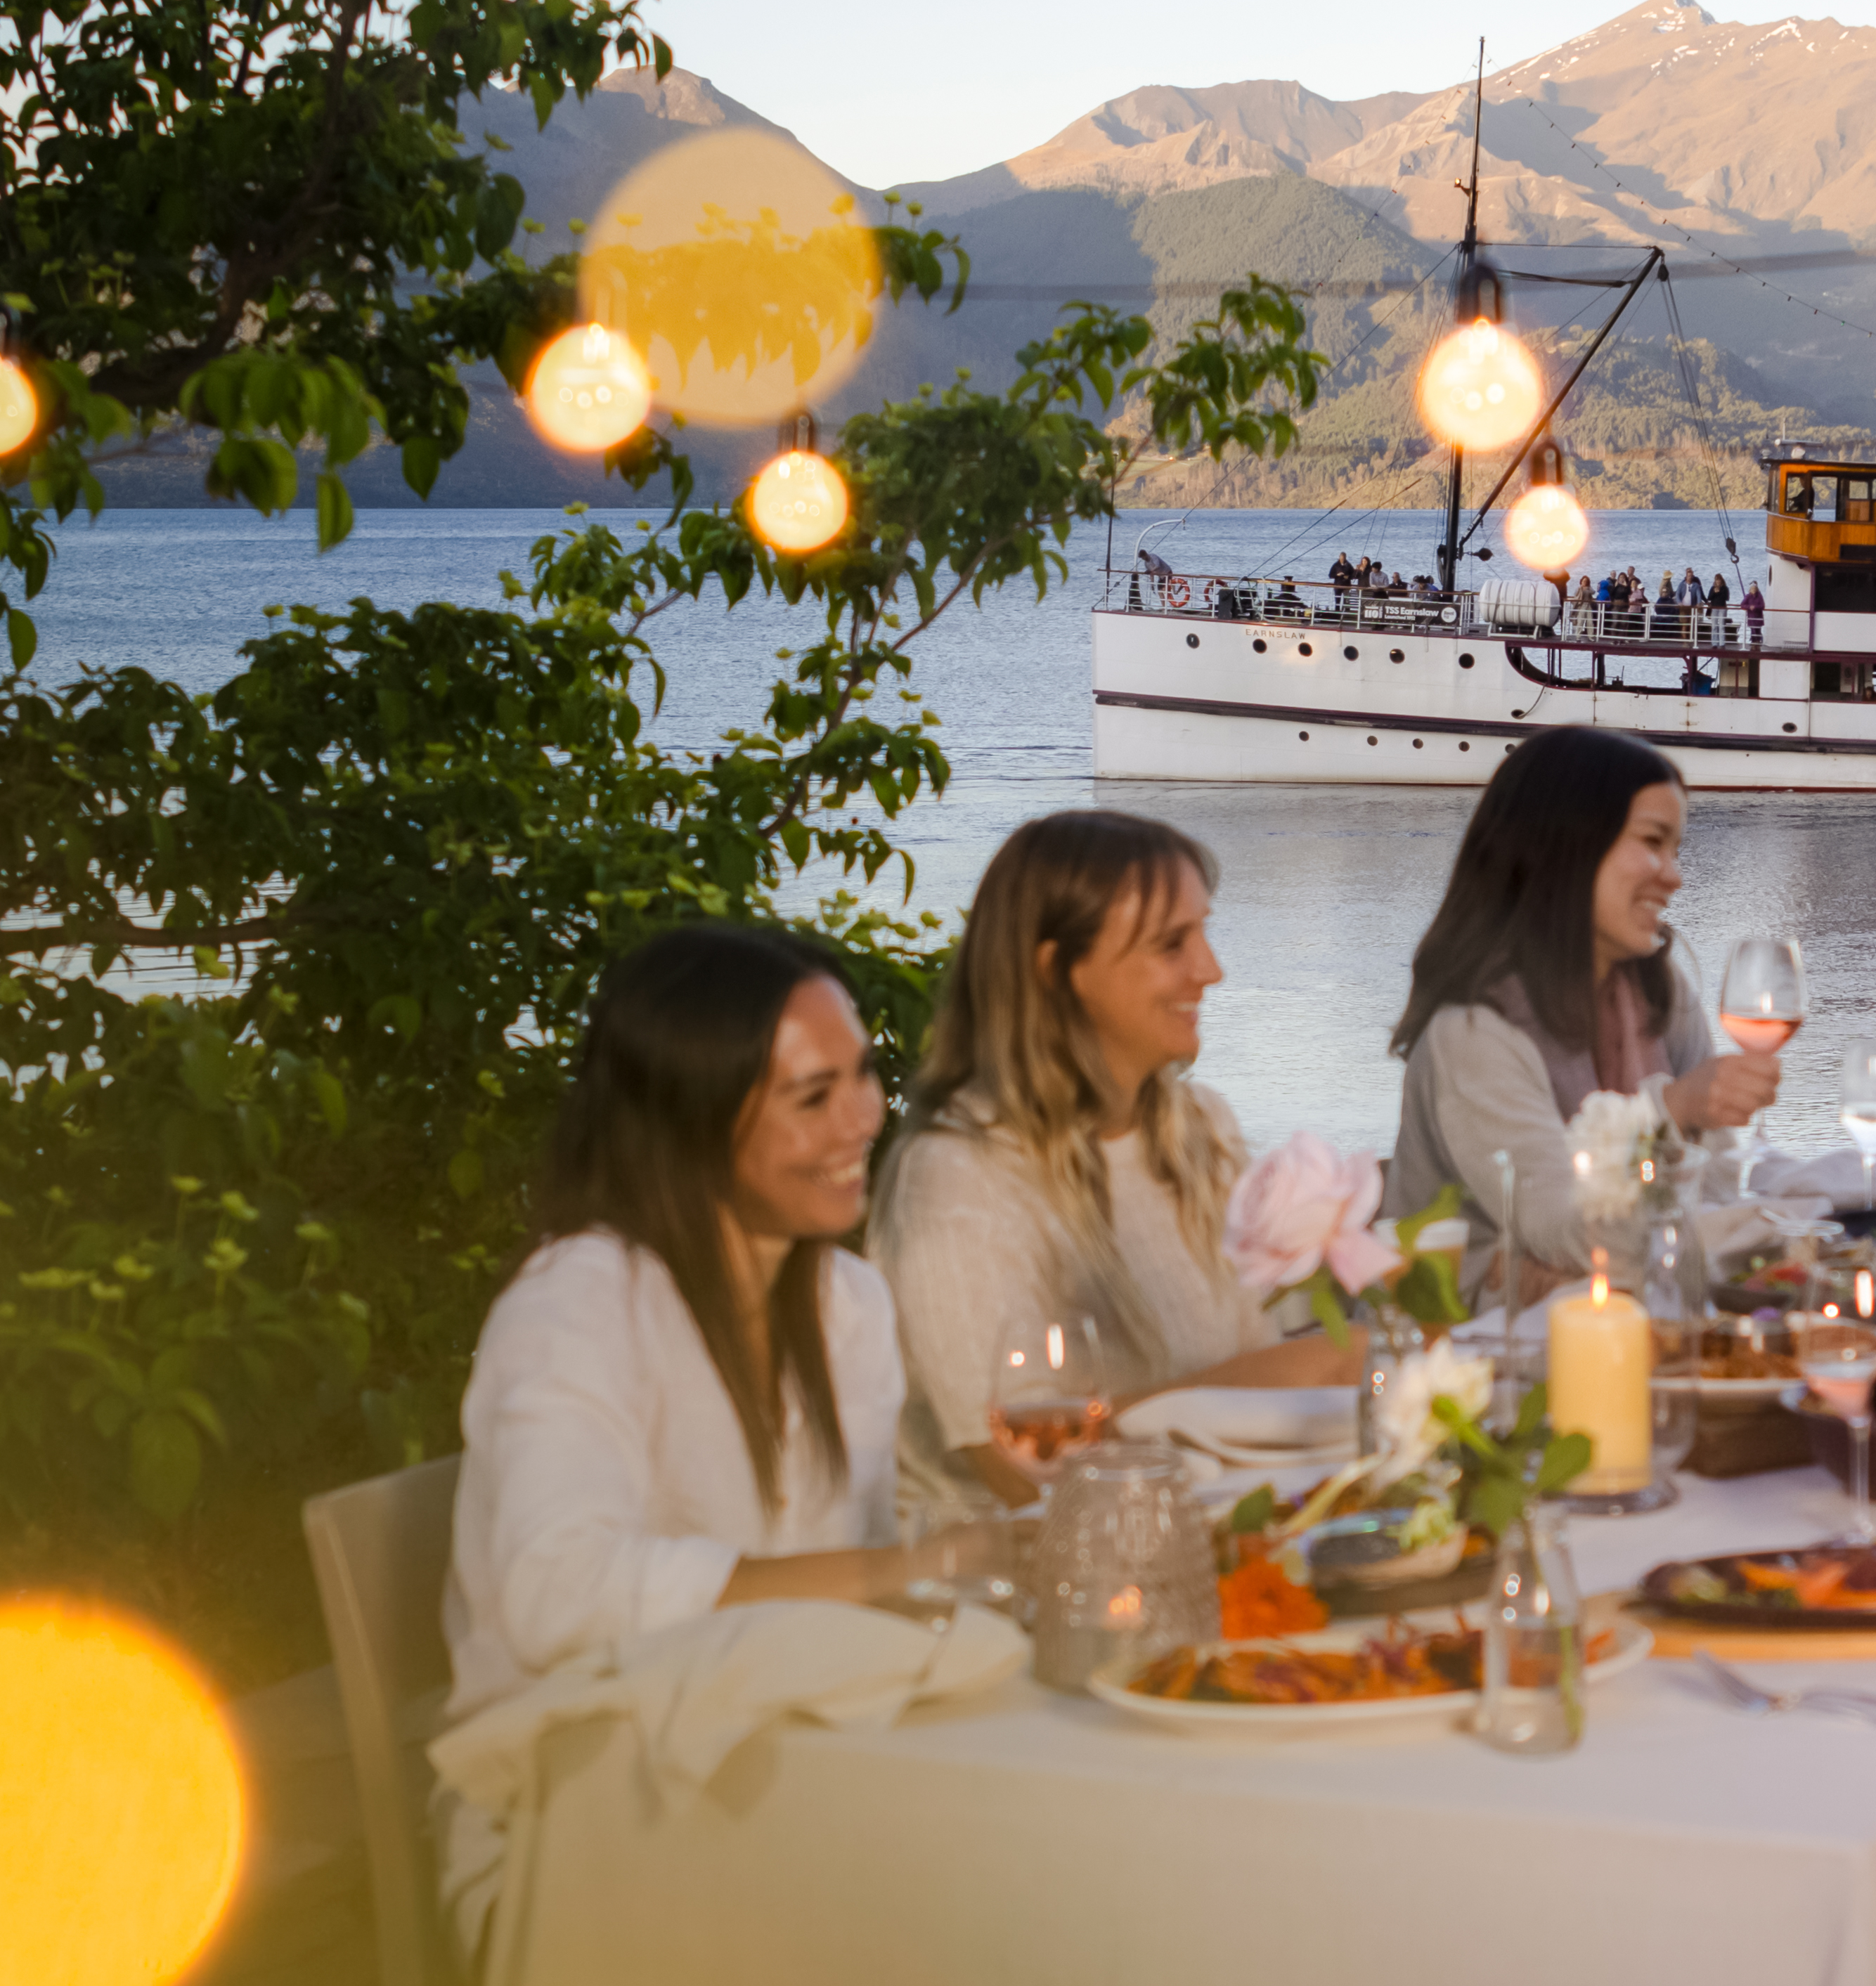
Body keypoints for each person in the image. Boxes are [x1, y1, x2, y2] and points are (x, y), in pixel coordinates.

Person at [443, 925, 958, 1733]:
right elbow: (559, 1595)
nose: (866, 1117)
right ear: (693, 1120)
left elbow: (858, 1581)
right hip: (585, 1785)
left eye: (865, 1074)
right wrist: (914, 1568)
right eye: (813, 1097)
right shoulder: (579, 1303)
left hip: (796, 1742)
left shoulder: (846, 1301)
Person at [869, 811, 1346, 1507]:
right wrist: (1289, 1372)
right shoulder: (959, 1176)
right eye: (1171, 944)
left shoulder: (1200, 1129)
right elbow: (1019, 1473)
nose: (1210, 969)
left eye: (1204, 932)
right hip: (1030, 1582)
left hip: (1220, 1531)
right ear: (1060, 971)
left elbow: (1258, 1373)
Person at [1385, 727, 1779, 1293]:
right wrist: (1671, 1110)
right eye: (1651, 841)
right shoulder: (1472, 1033)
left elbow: (1714, 1186)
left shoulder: (1659, 989)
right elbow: (1569, 1231)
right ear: (1564, 842)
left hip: (1634, 1319)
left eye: (1676, 849)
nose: (1673, 875)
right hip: (1478, 1354)